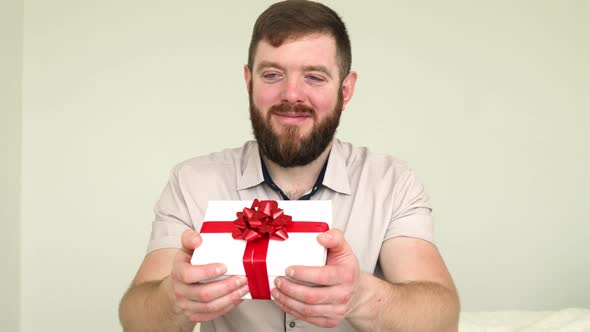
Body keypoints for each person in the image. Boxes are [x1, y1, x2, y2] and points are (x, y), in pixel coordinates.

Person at [119, 1, 460, 331]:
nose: (292, 94)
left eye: (314, 76)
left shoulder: (392, 182)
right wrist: (173, 300)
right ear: (249, 81)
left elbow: (442, 321)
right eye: (272, 74)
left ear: (346, 90)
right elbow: (137, 321)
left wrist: (360, 297)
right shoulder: (192, 182)